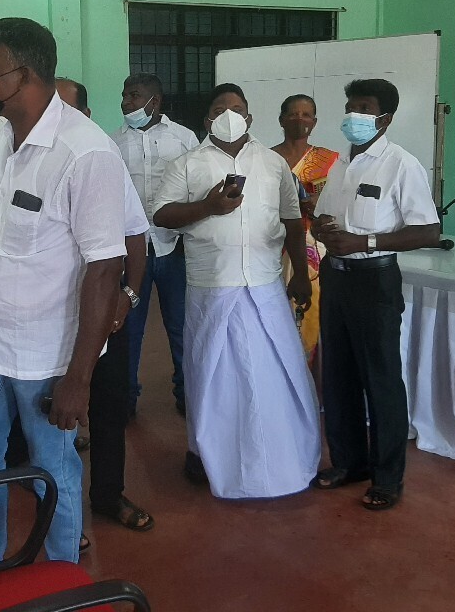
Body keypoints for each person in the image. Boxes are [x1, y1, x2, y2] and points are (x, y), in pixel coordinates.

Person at [0, 18, 126, 567]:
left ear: (25, 74)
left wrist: (79, 378)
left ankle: (63, 582)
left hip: (46, 355)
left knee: (51, 470)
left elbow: (105, 268)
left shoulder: (85, 153)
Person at [153, 83, 320, 499]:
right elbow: (162, 214)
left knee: (274, 374)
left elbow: (292, 222)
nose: (229, 114)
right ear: (207, 119)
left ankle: (284, 458)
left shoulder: (272, 164)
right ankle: (205, 453)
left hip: (264, 285)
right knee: (211, 376)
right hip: (212, 286)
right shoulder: (186, 164)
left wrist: (300, 274)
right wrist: (207, 207)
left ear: (249, 117)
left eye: (237, 108)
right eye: (219, 108)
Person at [311, 78, 440, 511]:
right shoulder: (340, 164)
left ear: (385, 118)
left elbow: (428, 231)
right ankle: (349, 463)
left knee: (380, 379)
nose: (354, 115)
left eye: (364, 108)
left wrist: (365, 242)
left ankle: (387, 478)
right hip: (336, 278)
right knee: (339, 376)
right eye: (350, 106)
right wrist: (322, 229)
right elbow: (325, 217)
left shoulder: (402, 164)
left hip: (374, 280)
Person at [56, 78, 154, 534]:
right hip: (50, 315)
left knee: (109, 406)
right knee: (51, 414)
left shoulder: (102, 156)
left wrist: (128, 296)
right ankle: (58, 512)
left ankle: (108, 495)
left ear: (85, 114)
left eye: (64, 107)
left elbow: (136, 231)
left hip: (104, 311)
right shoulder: (27, 157)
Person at [111, 73, 199, 416]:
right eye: (124, 95)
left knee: (181, 327)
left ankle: (187, 394)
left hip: (174, 248)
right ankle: (126, 399)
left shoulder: (184, 138)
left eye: (133, 96)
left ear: (155, 101)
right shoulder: (113, 142)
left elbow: (196, 188)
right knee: (128, 328)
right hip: (131, 252)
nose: (126, 103)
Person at [271, 94, 339, 361]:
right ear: (281, 120)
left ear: (315, 121)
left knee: (313, 315)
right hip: (274, 245)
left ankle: (313, 372)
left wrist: (319, 204)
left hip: (315, 251)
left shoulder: (331, 160)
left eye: (306, 114)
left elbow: (342, 202)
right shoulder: (266, 158)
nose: (300, 119)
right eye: (293, 114)